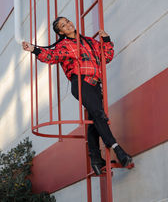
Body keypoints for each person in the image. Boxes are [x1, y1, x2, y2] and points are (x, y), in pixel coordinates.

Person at [22, 17, 132, 175]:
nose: (68, 25)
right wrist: (33, 49)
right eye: (63, 25)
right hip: (81, 83)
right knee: (99, 115)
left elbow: (106, 58)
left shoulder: (89, 41)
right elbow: (51, 56)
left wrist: (106, 40)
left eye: (68, 21)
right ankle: (117, 149)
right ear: (61, 32)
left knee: (95, 119)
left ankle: (95, 159)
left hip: (95, 84)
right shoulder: (64, 45)